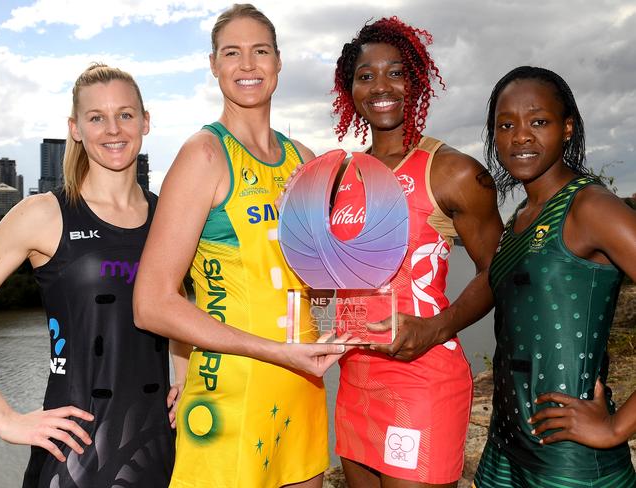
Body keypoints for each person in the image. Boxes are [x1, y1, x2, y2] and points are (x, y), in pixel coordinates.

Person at [132, 4, 346, 488]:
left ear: (278, 62)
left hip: (301, 385)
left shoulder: (303, 160)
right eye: (233, 52)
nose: (248, 65)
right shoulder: (203, 156)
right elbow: (152, 304)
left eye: (260, 51)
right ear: (214, 65)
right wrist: (271, 350)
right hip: (228, 393)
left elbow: (319, 286)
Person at [0, 63, 186, 487]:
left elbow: (177, 308)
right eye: (97, 117)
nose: (113, 129)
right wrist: (4, 419)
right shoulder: (42, 214)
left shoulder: (171, 216)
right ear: (76, 128)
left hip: (161, 447)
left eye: (126, 114)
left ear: (146, 121)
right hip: (74, 455)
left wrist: (186, 377)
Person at [329, 17, 503, 488]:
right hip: (355, 379)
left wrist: (433, 328)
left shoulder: (453, 172)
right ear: (351, 91)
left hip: (423, 377)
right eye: (365, 76)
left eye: (396, 72)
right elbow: (330, 281)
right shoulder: (340, 176)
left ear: (417, 81)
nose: (380, 86)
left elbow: (499, 270)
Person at [472, 66, 636, 487]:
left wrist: (617, 427)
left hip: (571, 464)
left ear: (567, 129)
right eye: (505, 125)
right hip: (505, 453)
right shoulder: (520, 218)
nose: (520, 136)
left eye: (538, 121)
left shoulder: (591, 207)